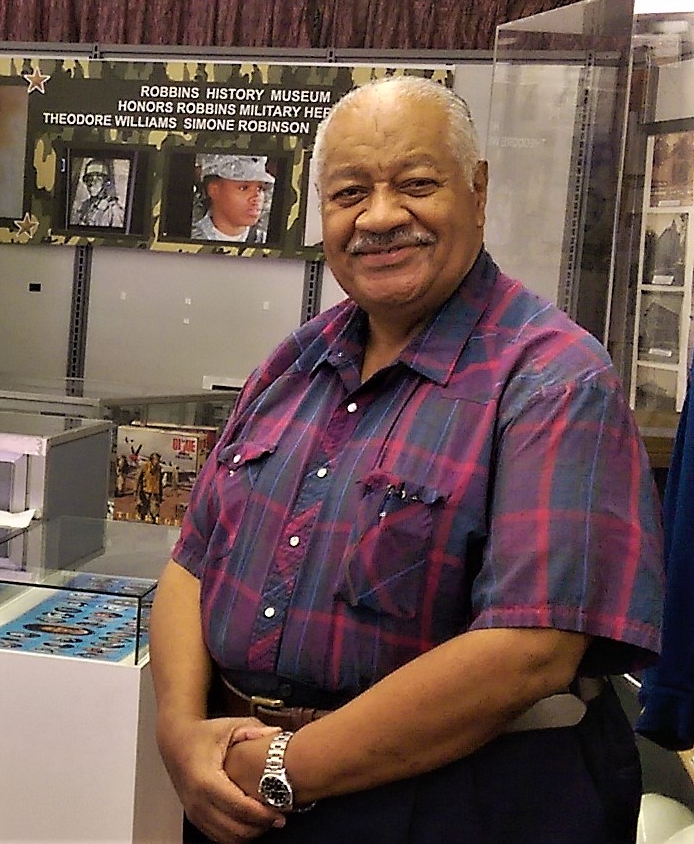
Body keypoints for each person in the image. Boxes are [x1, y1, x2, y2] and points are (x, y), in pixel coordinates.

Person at [149, 76, 664, 844]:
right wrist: (180, 734)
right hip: (245, 796)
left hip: (461, 803)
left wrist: (286, 766)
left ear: (477, 190)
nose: (380, 217)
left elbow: (528, 653)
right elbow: (193, 561)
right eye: (349, 192)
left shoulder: (553, 378)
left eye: (416, 184)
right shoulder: (295, 361)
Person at [192, 153, 272, 242]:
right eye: (244, 188)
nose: (256, 198)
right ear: (213, 190)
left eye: (260, 188)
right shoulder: (189, 239)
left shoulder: (266, 241)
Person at [74, 160, 127, 228]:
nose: (91, 183)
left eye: (97, 179)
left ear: (106, 182)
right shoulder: (85, 206)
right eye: (88, 179)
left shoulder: (114, 211)